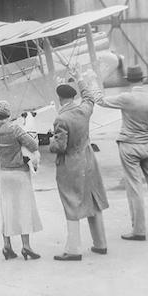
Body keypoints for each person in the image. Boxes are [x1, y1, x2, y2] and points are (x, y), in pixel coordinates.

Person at [88, 65, 148, 240]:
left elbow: (100, 100)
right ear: (143, 79)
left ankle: (139, 230)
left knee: (135, 186)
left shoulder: (126, 98)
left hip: (129, 145)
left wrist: (93, 81)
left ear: (128, 79)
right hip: (147, 144)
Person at [49, 73, 109, 261]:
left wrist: (51, 141)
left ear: (60, 99)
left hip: (71, 164)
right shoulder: (84, 110)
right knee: (93, 200)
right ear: (74, 97)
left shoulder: (61, 119)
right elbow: (90, 97)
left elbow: (60, 147)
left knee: (72, 203)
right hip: (88, 159)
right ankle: (101, 244)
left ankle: (73, 249)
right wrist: (80, 78)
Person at [0, 91, 43, 261]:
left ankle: (7, 246)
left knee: (7, 210)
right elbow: (33, 144)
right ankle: (26, 247)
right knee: (24, 209)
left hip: (5, 174)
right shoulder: (14, 129)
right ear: (8, 114)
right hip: (20, 173)